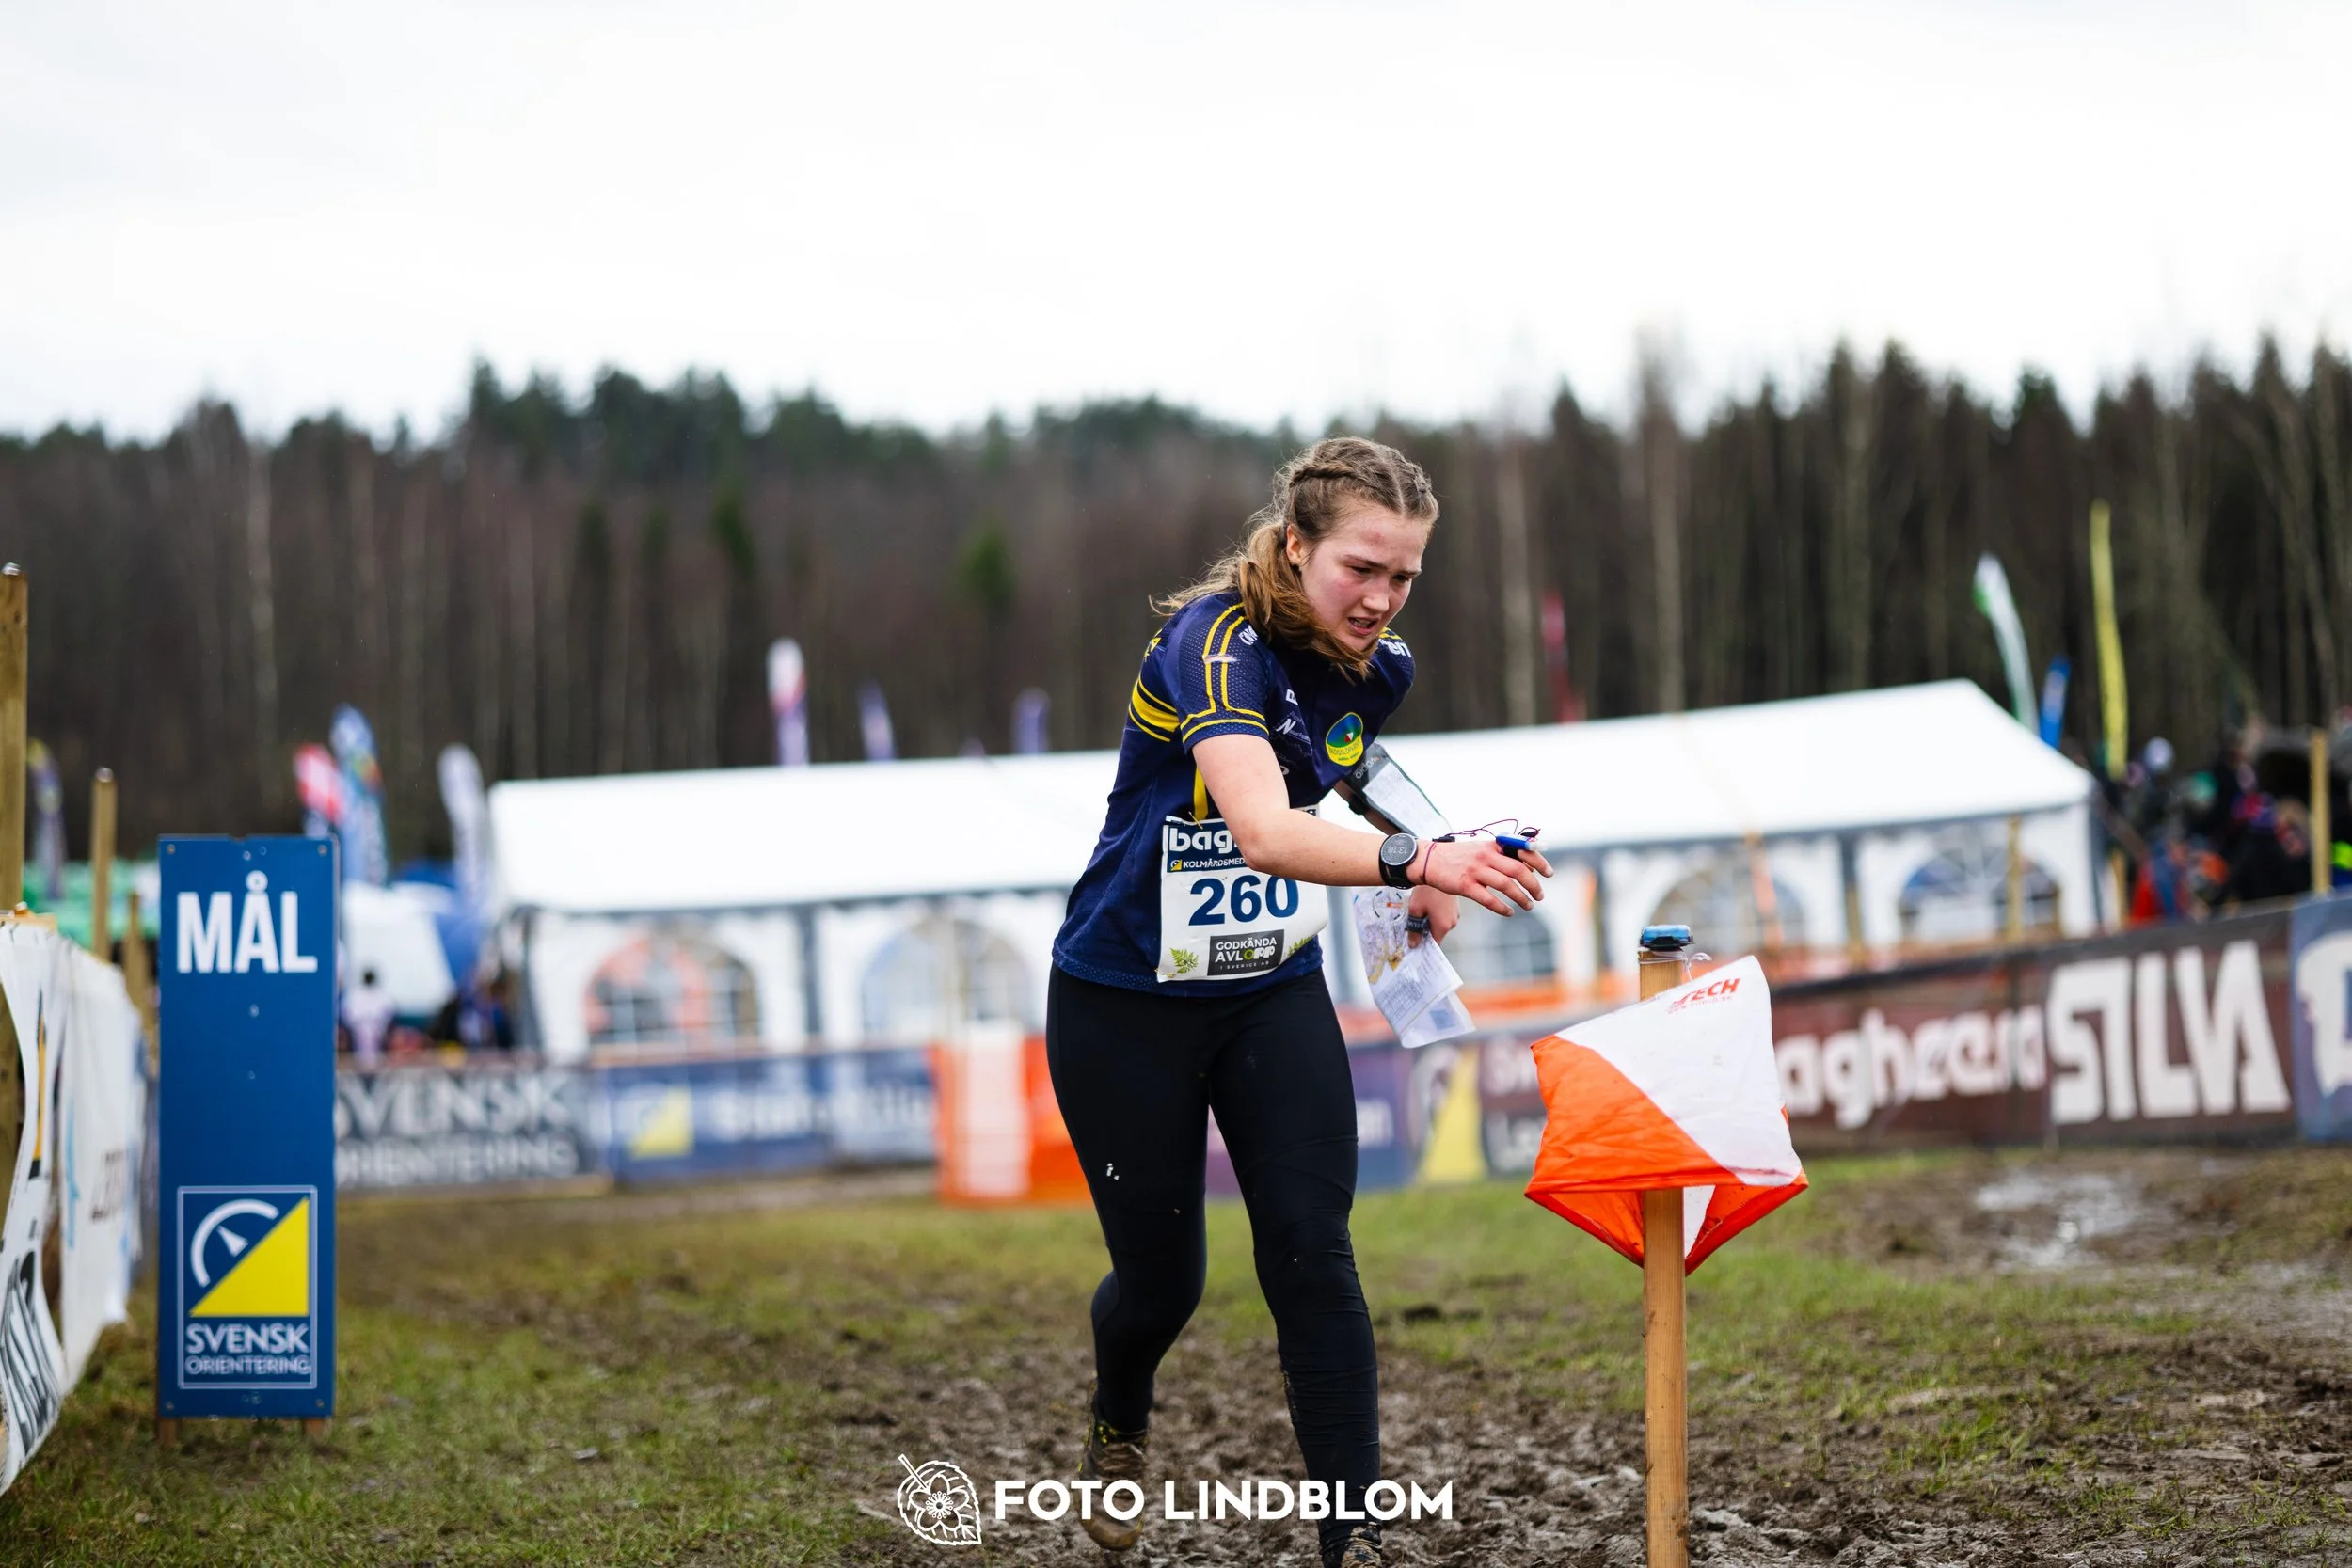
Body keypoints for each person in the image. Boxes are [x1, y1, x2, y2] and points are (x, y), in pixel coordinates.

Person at [1047, 437, 1550, 1568]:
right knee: (1161, 1285)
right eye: (1359, 568)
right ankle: (1120, 1411)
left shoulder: (1380, 665)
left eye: (1404, 575)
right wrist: (1419, 861)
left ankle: (1349, 1543)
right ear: (1295, 546)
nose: (1379, 598)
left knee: (1312, 1252)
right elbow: (1264, 828)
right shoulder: (1208, 645)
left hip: (1268, 995)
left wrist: (1441, 847)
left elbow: (1354, 766)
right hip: (1124, 1001)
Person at [342, 966, 396, 1068]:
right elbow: (346, 1017)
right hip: (358, 1033)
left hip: (377, 1033)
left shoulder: (382, 996)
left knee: (375, 1054)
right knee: (360, 1050)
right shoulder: (354, 995)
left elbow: (390, 1016)